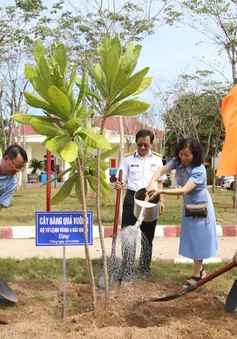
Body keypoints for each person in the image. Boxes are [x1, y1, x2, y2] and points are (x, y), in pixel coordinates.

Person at [147, 138, 218, 286]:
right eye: (181, 154)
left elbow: (185, 189)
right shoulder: (177, 161)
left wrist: (161, 190)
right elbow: (161, 170)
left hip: (200, 208)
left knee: (199, 240)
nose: (183, 158)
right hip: (189, 207)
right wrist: (151, 183)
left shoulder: (199, 170)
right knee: (192, 239)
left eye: (187, 155)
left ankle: (196, 276)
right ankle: (200, 269)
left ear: (195, 155)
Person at [115, 129, 166, 282]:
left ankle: (144, 269)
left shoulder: (157, 160)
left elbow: (160, 181)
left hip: (151, 199)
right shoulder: (128, 159)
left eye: (145, 145)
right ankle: (127, 269)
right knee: (128, 237)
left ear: (152, 143)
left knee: (147, 236)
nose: (142, 148)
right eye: (139, 145)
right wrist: (120, 183)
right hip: (132, 199)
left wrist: (161, 200)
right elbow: (123, 178)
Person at [0, 144, 28, 211]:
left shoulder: (12, 183)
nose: (17, 170)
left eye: (20, 168)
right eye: (17, 166)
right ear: (6, 158)